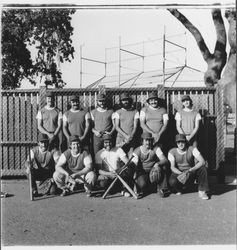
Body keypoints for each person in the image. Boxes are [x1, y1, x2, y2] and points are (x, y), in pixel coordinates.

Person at [168, 134, 209, 200]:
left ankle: (202, 191)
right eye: (178, 142)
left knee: (202, 168)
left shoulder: (191, 149)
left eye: (182, 142)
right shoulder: (172, 151)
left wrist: (190, 170)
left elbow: (202, 161)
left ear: (185, 142)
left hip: (190, 172)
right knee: (172, 181)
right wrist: (181, 173)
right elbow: (172, 167)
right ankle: (179, 189)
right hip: (179, 172)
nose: (181, 144)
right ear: (176, 143)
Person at [131, 132, 170, 198]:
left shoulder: (156, 148)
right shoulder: (137, 150)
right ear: (142, 141)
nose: (148, 142)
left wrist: (157, 163)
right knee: (142, 184)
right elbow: (134, 165)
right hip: (143, 172)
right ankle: (143, 188)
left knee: (164, 166)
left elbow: (165, 160)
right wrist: (135, 176)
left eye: (150, 140)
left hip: (154, 170)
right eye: (146, 140)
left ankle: (163, 188)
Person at [113, 93, 140, 158]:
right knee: (119, 157)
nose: (126, 102)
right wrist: (125, 136)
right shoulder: (118, 112)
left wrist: (131, 136)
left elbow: (135, 126)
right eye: (123, 100)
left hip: (131, 138)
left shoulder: (135, 112)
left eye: (127, 100)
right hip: (120, 139)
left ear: (130, 101)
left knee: (131, 157)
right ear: (121, 101)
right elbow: (117, 126)